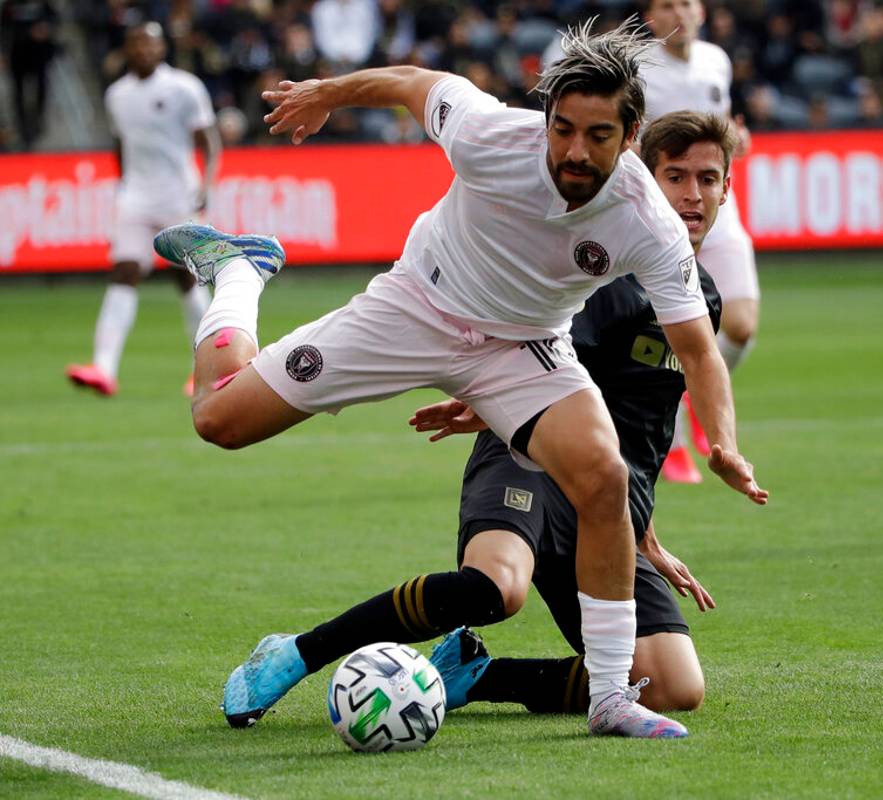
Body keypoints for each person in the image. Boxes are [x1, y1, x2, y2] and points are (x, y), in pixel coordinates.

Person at [154, 19, 766, 739]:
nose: (572, 150)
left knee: (602, 475)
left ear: (629, 138)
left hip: (521, 347)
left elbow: (698, 351)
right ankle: (235, 271)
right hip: (418, 304)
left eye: (596, 136)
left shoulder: (648, 221)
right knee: (219, 419)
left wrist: (722, 441)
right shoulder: (490, 136)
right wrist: (328, 93)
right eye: (561, 128)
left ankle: (607, 698)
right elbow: (414, 85)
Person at [639, 0, 760, 483]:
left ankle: (692, 390)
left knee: (743, 325)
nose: (678, 13)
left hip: (713, 205)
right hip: (658, 208)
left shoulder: (716, 60)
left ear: (702, 12)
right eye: (666, 5)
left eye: (686, 3)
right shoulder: (639, 65)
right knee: (649, 329)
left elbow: (722, 126)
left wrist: (735, 142)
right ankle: (663, 430)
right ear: (651, 17)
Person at [66, 22, 220, 397]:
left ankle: (209, 368)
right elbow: (121, 143)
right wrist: (122, 186)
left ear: (161, 49)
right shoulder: (117, 94)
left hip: (178, 196)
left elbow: (209, 140)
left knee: (187, 277)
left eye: (150, 44)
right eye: (136, 44)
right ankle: (104, 368)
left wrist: (206, 184)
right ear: (127, 49)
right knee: (124, 270)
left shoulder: (185, 88)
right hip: (136, 196)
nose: (143, 50)